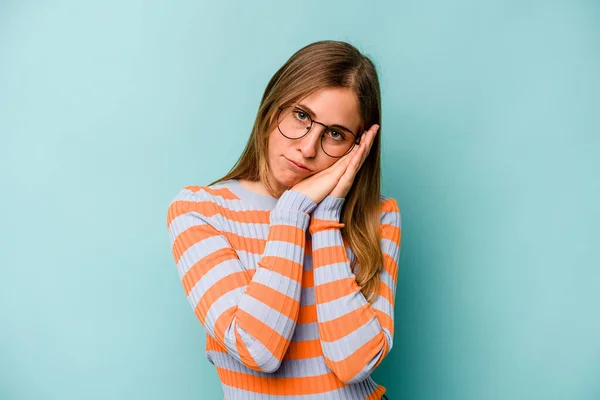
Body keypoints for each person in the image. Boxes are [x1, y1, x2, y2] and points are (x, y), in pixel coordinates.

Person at [166, 40, 401, 399]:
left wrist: (324, 218)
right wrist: (292, 212)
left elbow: (354, 363)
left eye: (335, 134)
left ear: (359, 147)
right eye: (302, 116)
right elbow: (258, 349)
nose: (307, 148)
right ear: (271, 108)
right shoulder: (201, 211)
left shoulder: (378, 216)